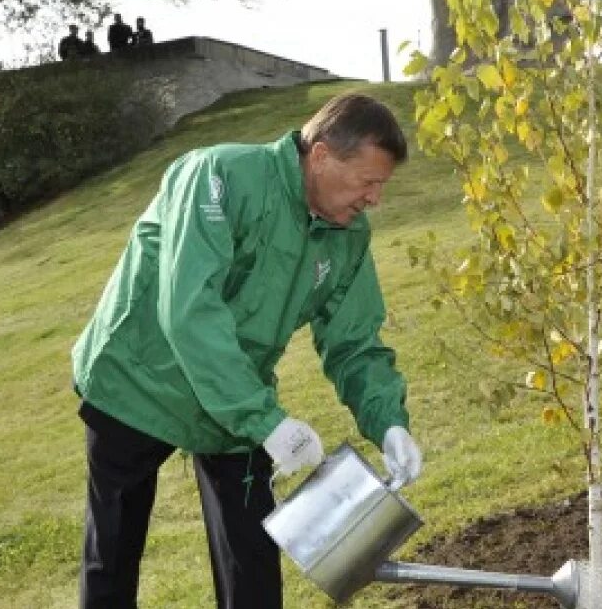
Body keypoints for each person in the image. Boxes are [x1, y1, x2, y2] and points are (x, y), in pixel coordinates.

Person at [71, 92, 424, 608]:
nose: (375, 199)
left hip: (234, 395)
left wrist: (388, 421)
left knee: (252, 550)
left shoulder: (347, 236)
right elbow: (190, 311)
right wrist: (266, 423)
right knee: (114, 552)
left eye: (381, 186)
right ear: (322, 156)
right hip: (139, 379)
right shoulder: (218, 177)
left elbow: (355, 341)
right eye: (368, 183)